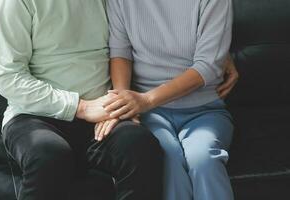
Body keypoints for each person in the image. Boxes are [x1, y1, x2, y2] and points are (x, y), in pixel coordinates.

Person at [0, 0, 164, 200]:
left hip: (101, 115)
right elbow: (8, 77)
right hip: (34, 115)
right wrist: (80, 107)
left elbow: (121, 51)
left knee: (139, 145)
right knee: (49, 155)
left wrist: (119, 103)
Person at [100, 0, 236, 199]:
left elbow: (207, 66)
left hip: (204, 109)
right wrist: (123, 101)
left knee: (203, 159)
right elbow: (120, 52)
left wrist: (146, 100)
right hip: (149, 114)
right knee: (165, 158)